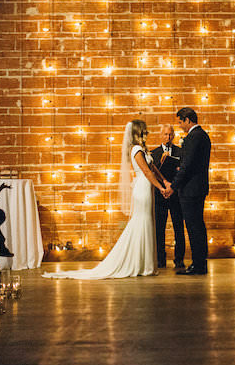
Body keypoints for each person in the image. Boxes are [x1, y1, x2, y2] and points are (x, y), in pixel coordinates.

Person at [43, 120, 168, 279]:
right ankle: (140, 264)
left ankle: (145, 264)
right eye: (145, 130)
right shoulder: (136, 149)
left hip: (147, 187)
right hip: (143, 189)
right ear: (139, 132)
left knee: (147, 223)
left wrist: (164, 181)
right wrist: (161, 188)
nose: (148, 132)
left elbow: (153, 169)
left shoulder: (143, 149)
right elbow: (146, 172)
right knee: (142, 222)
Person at [164, 107, 212, 276]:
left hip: (191, 189)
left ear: (187, 120)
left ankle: (198, 265)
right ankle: (200, 263)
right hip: (198, 188)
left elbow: (187, 166)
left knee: (194, 227)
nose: (180, 126)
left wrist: (173, 186)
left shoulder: (193, 137)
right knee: (198, 226)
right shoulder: (203, 136)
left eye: (180, 122)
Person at [152, 124, 185, 269]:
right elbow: (152, 173)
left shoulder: (180, 151)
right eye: (165, 134)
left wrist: (173, 187)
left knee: (178, 227)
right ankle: (160, 259)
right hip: (160, 195)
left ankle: (179, 260)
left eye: (171, 134)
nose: (168, 137)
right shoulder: (154, 153)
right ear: (161, 135)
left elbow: (183, 171)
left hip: (176, 194)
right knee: (159, 228)